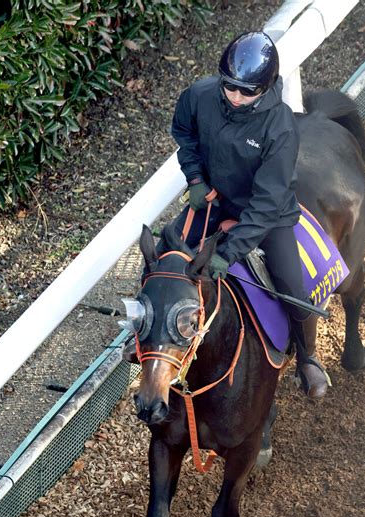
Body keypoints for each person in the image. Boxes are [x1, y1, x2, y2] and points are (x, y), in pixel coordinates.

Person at [130, 31, 328, 397]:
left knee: (292, 288)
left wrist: (226, 253)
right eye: (230, 87)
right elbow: (183, 133)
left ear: (265, 89)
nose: (235, 97)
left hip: (268, 215)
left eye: (247, 91)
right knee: (160, 259)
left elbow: (267, 203)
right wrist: (195, 178)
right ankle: (147, 338)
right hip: (215, 200)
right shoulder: (201, 95)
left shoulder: (280, 126)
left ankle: (307, 357)